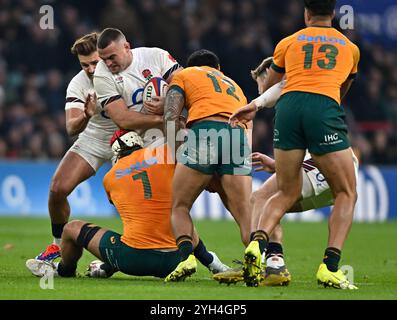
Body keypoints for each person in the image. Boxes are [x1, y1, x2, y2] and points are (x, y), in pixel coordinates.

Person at [230, 0, 360, 289]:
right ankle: (331, 266)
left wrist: (257, 101)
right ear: (334, 13)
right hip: (323, 106)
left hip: (287, 110)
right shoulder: (350, 49)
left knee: (285, 191)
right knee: (346, 192)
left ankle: (257, 245)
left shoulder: (289, 42)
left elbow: (274, 85)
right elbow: (341, 90)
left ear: (306, 13)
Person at [26, 130, 229, 279]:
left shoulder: (110, 177)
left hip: (134, 260)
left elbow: (129, 205)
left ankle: (65, 271)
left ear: (115, 154)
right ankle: (212, 262)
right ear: (139, 144)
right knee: (179, 216)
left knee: (72, 228)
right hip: (175, 259)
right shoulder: (165, 154)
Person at [163, 49, 253, 282]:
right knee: (244, 211)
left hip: (205, 131)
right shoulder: (235, 87)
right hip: (237, 137)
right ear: (218, 69)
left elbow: (171, 115)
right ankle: (257, 258)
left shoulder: (184, 75)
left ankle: (186, 259)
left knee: (179, 207)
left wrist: (177, 153)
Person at [35, 33, 118, 261]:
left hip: (128, 136)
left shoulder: (123, 71)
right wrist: (86, 115)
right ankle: (58, 246)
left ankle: (137, 249)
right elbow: (72, 127)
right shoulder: (78, 83)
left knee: (128, 197)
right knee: (57, 189)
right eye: (85, 65)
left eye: (94, 62)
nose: (90, 69)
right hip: (95, 136)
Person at [93, 28, 183, 145]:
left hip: (176, 131)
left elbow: (184, 83)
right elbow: (122, 119)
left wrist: (169, 101)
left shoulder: (155, 55)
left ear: (126, 47)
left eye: (112, 57)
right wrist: (165, 116)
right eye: (104, 59)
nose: (108, 63)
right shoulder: (101, 74)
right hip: (143, 142)